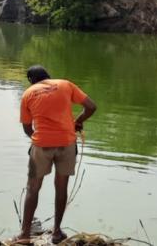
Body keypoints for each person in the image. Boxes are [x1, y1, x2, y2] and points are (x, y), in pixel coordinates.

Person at [12, 66, 97, 245]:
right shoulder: (65, 84)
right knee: (61, 187)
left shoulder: (28, 93)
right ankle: (57, 232)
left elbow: (27, 128)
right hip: (66, 143)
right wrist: (78, 121)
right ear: (48, 76)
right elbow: (91, 106)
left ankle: (25, 235)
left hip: (42, 145)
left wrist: (39, 139)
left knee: (32, 188)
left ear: (31, 80)